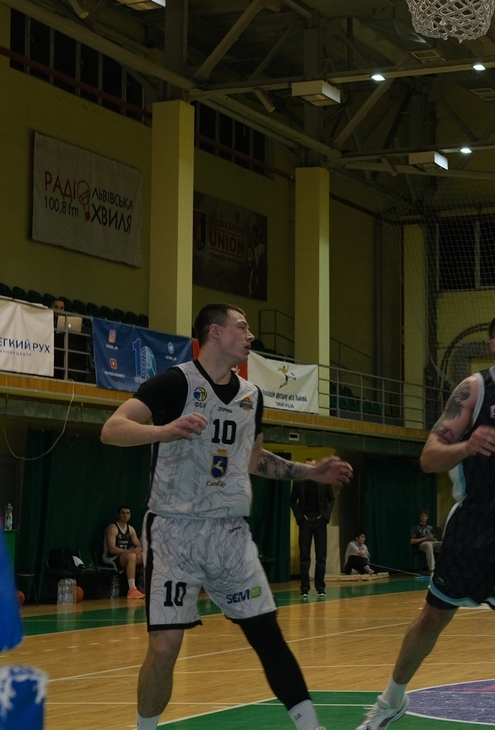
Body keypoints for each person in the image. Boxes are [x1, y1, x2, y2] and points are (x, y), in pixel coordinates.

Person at [100, 303, 353, 730]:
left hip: (229, 533)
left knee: (267, 634)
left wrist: (309, 472)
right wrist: (164, 430)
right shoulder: (175, 382)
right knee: (164, 648)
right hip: (175, 532)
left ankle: (312, 727)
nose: (251, 335)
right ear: (215, 332)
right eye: (243, 327)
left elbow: (254, 459)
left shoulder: (252, 396)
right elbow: (112, 429)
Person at [357, 308, 495, 730]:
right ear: (494, 344)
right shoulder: (475, 389)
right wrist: (467, 446)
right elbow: (428, 457)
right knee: (433, 619)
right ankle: (391, 699)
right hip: (476, 521)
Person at [292, 461, 336, 600]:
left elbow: (331, 498)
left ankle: (320, 588)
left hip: (319, 521)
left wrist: (324, 515)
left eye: (313, 465)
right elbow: (292, 500)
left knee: (321, 556)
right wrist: (300, 517)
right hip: (305, 521)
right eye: (308, 465)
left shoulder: (323, 479)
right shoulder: (299, 481)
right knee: (304, 556)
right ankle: (304, 588)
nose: (310, 467)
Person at [104, 505, 146, 599]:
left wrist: (139, 552)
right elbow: (112, 549)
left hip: (124, 556)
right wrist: (131, 551)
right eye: (123, 513)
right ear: (118, 514)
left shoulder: (131, 529)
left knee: (144, 556)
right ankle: (132, 589)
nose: (125, 515)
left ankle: (146, 587)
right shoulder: (112, 528)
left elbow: (138, 545)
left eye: (128, 513)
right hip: (111, 557)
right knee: (131, 556)